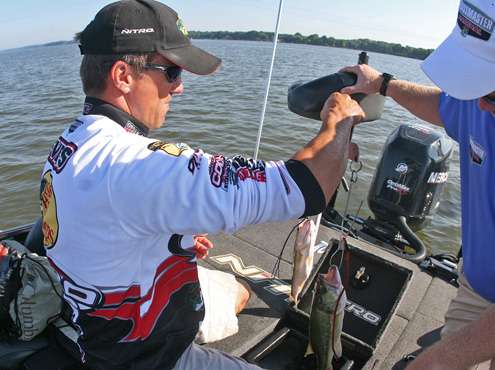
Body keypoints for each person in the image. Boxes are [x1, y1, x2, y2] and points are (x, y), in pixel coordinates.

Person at [39, 1, 364, 369]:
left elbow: (100, 223)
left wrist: (167, 244)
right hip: (151, 359)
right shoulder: (138, 164)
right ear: (123, 75)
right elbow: (304, 188)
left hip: (97, 331)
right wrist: (338, 123)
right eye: (173, 72)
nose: (179, 89)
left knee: (239, 292)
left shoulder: (70, 143)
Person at [339, 0, 495, 368]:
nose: (482, 106)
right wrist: (384, 84)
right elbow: (445, 107)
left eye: (491, 92)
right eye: (479, 88)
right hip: (476, 285)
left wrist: (434, 362)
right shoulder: (479, 102)